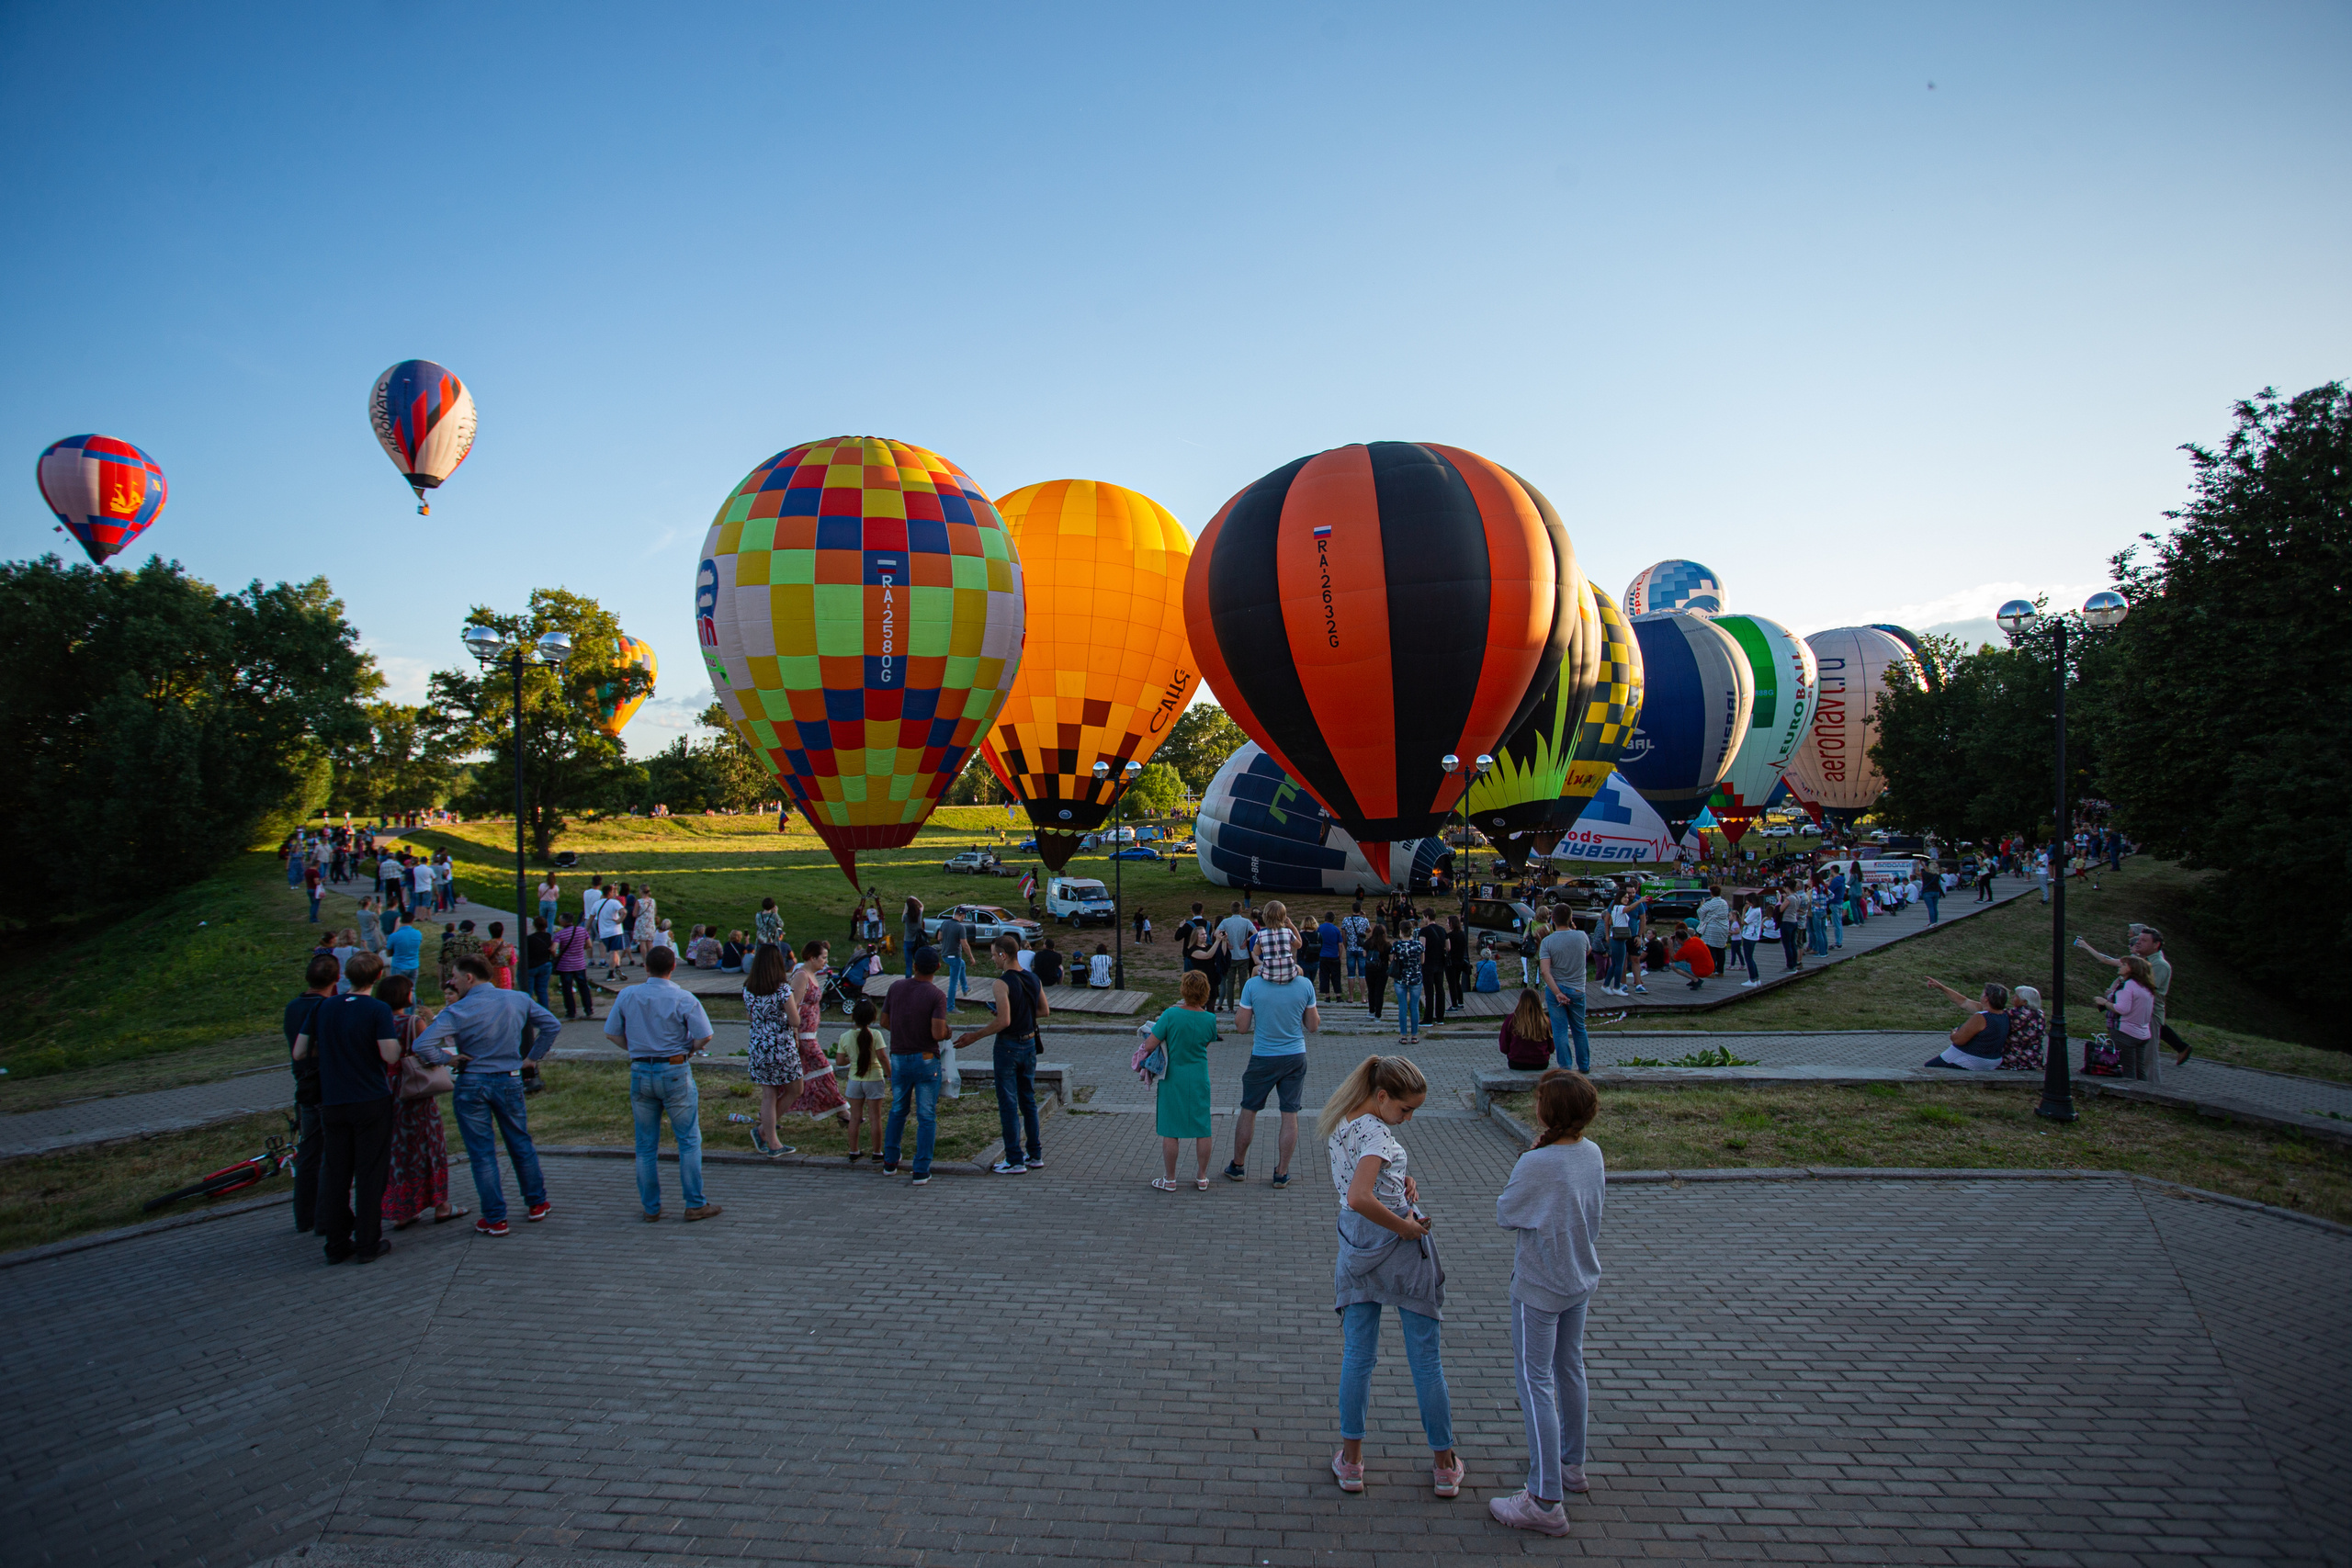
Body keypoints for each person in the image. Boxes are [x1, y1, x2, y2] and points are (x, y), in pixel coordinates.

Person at [1324, 1055, 1460, 1499]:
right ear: (1382, 1096)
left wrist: (1399, 1178)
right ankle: (1444, 1464)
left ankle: (1352, 1461)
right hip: (1395, 1247)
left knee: (1358, 1356)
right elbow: (1362, 1194)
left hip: (1356, 1246)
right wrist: (1405, 1226)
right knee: (1425, 1360)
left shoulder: (1346, 1121)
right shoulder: (1379, 1134)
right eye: (1406, 1109)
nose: (1409, 1118)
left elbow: (1363, 1184)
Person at [1488, 1068, 1605, 1538]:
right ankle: (1570, 1465)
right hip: (1579, 1277)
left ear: (1547, 1113)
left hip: (1539, 1286)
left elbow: (1507, 1212)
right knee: (1569, 1369)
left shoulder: (1536, 1162)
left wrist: (1531, 1158)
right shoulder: (1592, 1153)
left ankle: (1544, 1499)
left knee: (1535, 1382)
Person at [414, 954, 562, 1235]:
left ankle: (495, 1217)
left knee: (482, 1153)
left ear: (468, 978)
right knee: (520, 1142)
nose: (452, 982)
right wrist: (532, 1057)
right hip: (508, 1079)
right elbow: (552, 1024)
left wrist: (448, 1059)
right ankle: (536, 1203)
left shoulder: (456, 1010)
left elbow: (422, 1044)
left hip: (472, 1082)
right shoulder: (517, 999)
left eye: (455, 977)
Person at [291, 955, 404, 1264]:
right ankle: (368, 1242)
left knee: (335, 1171)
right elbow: (390, 1054)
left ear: (345, 977)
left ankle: (336, 1243)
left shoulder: (323, 1006)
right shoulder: (378, 1010)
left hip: (333, 1100)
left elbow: (300, 1051)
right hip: (370, 1098)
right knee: (370, 1171)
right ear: (379, 976)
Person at [604, 944, 721, 1222]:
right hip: (675, 1069)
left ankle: (651, 1207)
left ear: (646, 967)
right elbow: (705, 1035)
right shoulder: (684, 998)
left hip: (641, 1070)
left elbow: (612, 1033)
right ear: (673, 968)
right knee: (688, 1140)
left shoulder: (627, 995)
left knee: (645, 1145)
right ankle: (694, 1202)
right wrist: (688, 1050)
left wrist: (635, 1049)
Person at [1226, 942, 1319, 1186]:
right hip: (1295, 1055)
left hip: (1263, 1055)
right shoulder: (1305, 985)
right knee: (1290, 1114)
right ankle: (1281, 1171)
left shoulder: (1253, 985)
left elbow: (1242, 1027)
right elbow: (1313, 1025)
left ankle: (1238, 1165)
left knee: (1249, 1109)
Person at [956, 932, 1050, 1175]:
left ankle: (1014, 1159)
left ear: (1004, 954)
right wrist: (1021, 1014)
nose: (993, 960)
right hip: (1029, 1045)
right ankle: (1035, 1154)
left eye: (993, 956)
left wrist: (973, 1036)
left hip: (1008, 1047)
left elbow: (1004, 1021)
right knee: (1028, 1100)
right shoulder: (1032, 978)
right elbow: (1043, 1011)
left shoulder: (1001, 983)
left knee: (1008, 1102)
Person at [375, 971, 462, 1229]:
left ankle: (404, 1208)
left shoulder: (377, 1023)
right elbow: (427, 1051)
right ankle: (441, 1204)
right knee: (429, 1146)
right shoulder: (412, 1022)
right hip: (414, 1090)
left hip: (387, 1090)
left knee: (398, 1150)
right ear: (404, 995)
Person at [883, 947, 953, 1183]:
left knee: (898, 1109)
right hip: (925, 1059)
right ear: (938, 968)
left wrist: (904, 1032)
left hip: (899, 1058)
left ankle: (890, 1160)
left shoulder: (896, 987)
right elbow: (937, 1032)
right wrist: (946, 1033)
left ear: (914, 966)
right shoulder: (937, 996)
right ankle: (921, 1168)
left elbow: (884, 1020)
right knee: (926, 1115)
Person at [283, 953, 341, 1235]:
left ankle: (304, 1215)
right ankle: (327, 1214)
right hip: (326, 1085)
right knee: (332, 1152)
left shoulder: (293, 1007)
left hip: (303, 1086)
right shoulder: (327, 1008)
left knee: (308, 1151)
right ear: (336, 979)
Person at [1148, 969, 1219, 1190]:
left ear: (1184, 990)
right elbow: (1205, 1044)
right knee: (1202, 1127)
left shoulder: (1170, 1015)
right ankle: (1202, 1176)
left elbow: (1150, 1044)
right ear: (1206, 992)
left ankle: (1169, 1179)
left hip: (1173, 1075)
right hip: (1198, 1075)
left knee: (1171, 1128)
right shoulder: (1210, 1019)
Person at [2079, 926, 2183, 1071]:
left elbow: (2146, 990)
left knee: (2148, 1060)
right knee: (2132, 1061)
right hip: (2131, 1017)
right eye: (2138, 939)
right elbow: (2107, 961)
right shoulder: (2138, 960)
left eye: (2144, 940)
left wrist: (2116, 992)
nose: (2138, 943)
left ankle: (2149, 1090)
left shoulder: (2160, 965)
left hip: (2148, 1016)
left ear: (2156, 944)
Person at [742, 943, 802, 1156]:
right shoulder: (782, 989)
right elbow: (795, 1020)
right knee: (795, 1089)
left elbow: (750, 1016)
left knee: (769, 1094)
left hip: (758, 1045)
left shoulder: (748, 988)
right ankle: (771, 1141)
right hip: (780, 1045)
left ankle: (765, 1133)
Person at [832, 998, 892, 1162]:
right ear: (873, 1018)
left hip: (854, 1079)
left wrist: (852, 1060)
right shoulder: (876, 1035)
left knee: (855, 1117)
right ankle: (877, 1152)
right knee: (875, 1117)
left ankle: (853, 1151)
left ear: (853, 1016)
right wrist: (890, 1075)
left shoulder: (845, 1036)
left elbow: (839, 1061)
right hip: (874, 1079)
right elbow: (882, 1057)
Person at [1536, 906, 1591, 1071]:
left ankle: (1565, 1066)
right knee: (1579, 1028)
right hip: (1577, 989)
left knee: (1560, 1030)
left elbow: (1545, 971)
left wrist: (1557, 992)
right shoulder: (1581, 936)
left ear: (1552, 919)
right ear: (1571, 918)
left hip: (1556, 989)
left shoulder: (1547, 941)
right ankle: (1584, 1065)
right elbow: (1587, 952)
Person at [2091, 954, 2159, 1079]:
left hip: (2125, 1032)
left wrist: (2104, 1002)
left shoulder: (2127, 985)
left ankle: (2129, 1094)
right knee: (2140, 1070)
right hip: (2143, 1033)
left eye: (2123, 965)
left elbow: (2122, 1009)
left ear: (2131, 969)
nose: (2119, 966)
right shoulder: (2146, 987)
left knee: (2127, 1070)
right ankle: (2144, 1093)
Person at [1922, 978, 2012, 1070]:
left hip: (1973, 1058)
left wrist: (1954, 1033)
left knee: (1929, 1068)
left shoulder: (1981, 1017)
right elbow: (1964, 1002)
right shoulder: (2003, 1015)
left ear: (1986, 998)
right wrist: (1941, 987)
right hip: (1993, 1059)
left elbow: (1958, 1040)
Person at [551, 913, 595, 1020]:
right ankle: (588, 1009)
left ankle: (571, 1012)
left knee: (567, 989)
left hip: (565, 966)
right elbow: (589, 945)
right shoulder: (582, 930)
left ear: (564, 921)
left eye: (560, 919)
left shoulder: (560, 934)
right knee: (583, 987)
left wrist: (556, 955)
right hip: (580, 964)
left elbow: (553, 949)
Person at [1215, 902, 1257, 1010]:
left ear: (1231, 910)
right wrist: (1247, 941)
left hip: (1231, 955)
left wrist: (1226, 939)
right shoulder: (1246, 922)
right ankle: (1244, 1005)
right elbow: (1255, 933)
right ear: (1241, 910)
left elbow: (1216, 932)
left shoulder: (1225, 922)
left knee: (1230, 983)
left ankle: (1230, 1007)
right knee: (1243, 982)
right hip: (1243, 955)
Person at [1498, 988, 1553, 1070]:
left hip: (1517, 1062)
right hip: (1541, 1062)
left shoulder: (1512, 1019)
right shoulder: (1545, 1020)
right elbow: (1551, 1047)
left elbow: (1503, 1047)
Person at [1389, 921, 1425, 1043]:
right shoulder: (1418, 945)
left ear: (1401, 931)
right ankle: (1414, 1035)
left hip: (1401, 978)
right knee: (1414, 1007)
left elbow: (1391, 959)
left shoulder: (1397, 945)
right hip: (1415, 978)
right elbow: (1422, 961)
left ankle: (1403, 1035)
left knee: (1402, 1007)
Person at [2002, 986, 2048, 1072]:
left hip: (2014, 1058)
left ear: (2024, 1002)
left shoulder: (2013, 1013)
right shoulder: (2040, 1014)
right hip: (2035, 1059)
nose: (2013, 997)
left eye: (2016, 996)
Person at [936, 906, 974, 1009]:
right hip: (954, 956)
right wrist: (971, 957)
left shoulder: (945, 923)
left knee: (962, 964)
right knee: (953, 983)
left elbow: (939, 937)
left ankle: (965, 988)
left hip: (945, 955)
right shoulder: (960, 927)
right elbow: (965, 945)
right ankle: (950, 1007)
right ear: (962, 915)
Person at [1666, 923, 1715, 990]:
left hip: (1702, 971)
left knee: (1673, 966)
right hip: (1710, 967)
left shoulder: (1685, 949)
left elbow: (1674, 958)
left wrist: (1670, 946)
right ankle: (1694, 979)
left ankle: (1696, 980)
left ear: (1679, 939)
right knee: (1685, 962)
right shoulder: (1696, 939)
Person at [1696, 885, 1730, 979]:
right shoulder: (1724, 903)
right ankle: (1720, 971)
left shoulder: (1710, 903)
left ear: (1711, 893)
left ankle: (1712, 971)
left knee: (1711, 949)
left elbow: (1700, 913)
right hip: (1723, 928)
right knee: (1721, 949)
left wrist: (1701, 905)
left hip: (1712, 928)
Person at [594, 887, 628, 980]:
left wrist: (586, 929)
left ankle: (617, 967)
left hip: (604, 933)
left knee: (614, 952)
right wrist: (619, 921)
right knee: (614, 952)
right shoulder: (614, 902)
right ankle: (611, 973)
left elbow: (591, 918)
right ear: (610, 893)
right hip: (615, 932)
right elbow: (624, 912)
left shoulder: (597, 903)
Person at [385, 908, 423, 985]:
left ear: (401, 920)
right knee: (412, 989)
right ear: (412, 921)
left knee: (398, 989)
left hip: (399, 966)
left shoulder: (394, 936)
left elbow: (388, 953)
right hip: (413, 965)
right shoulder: (418, 934)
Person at [1363, 923, 1392, 1022]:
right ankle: (1378, 1015)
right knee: (1379, 992)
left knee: (1371, 990)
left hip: (1370, 969)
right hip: (1382, 970)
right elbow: (1391, 959)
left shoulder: (1368, 943)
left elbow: (1364, 954)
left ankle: (1371, 1011)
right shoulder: (1387, 945)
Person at [523, 917, 554, 1009]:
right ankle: (545, 1011)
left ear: (534, 926)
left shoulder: (529, 939)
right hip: (545, 964)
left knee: (528, 991)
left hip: (532, 966)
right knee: (542, 990)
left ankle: (529, 1011)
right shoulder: (548, 936)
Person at [1342, 905, 1370, 1002]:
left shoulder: (1346, 920)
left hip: (1350, 948)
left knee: (1351, 974)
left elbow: (1344, 935)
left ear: (1352, 909)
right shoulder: (1364, 921)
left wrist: (1346, 946)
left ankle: (1351, 996)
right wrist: (1365, 917)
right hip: (1361, 948)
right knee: (1362, 974)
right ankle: (1363, 997)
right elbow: (1368, 930)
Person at [1315, 912, 1345, 1000]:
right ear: (1333, 919)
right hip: (1334, 956)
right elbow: (1340, 944)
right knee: (1336, 976)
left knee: (1324, 976)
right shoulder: (1335, 929)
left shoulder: (1320, 928)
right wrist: (1340, 956)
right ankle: (1338, 995)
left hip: (1323, 956)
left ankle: (1327, 996)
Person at [1734, 895, 1762, 987]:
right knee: (1750, 958)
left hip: (1750, 936)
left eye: (1748, 901)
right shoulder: (1753, 909)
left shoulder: (1755, 911)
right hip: (1748, 935)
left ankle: (1752, 979)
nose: (1746, 903)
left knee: (1748, 958)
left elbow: (1743, 922)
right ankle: (1756, 978)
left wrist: (1743, 910)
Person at [481, 920, 515, 990]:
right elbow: (512, 963)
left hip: (490, 973)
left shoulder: (485, 945)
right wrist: (512, 979)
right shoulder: (508, 945)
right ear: (502, 932)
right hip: (505, 974)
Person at [899, 897, 925, 978]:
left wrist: (905, 907)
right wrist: (916, 900)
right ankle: (919, 978)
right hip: (917, 941)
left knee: (908, 964)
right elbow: (922, 906)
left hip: (908, 941)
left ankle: (908, 980)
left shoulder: (906, 917)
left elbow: (902, 919)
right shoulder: (919, 914)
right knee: (918, 962)